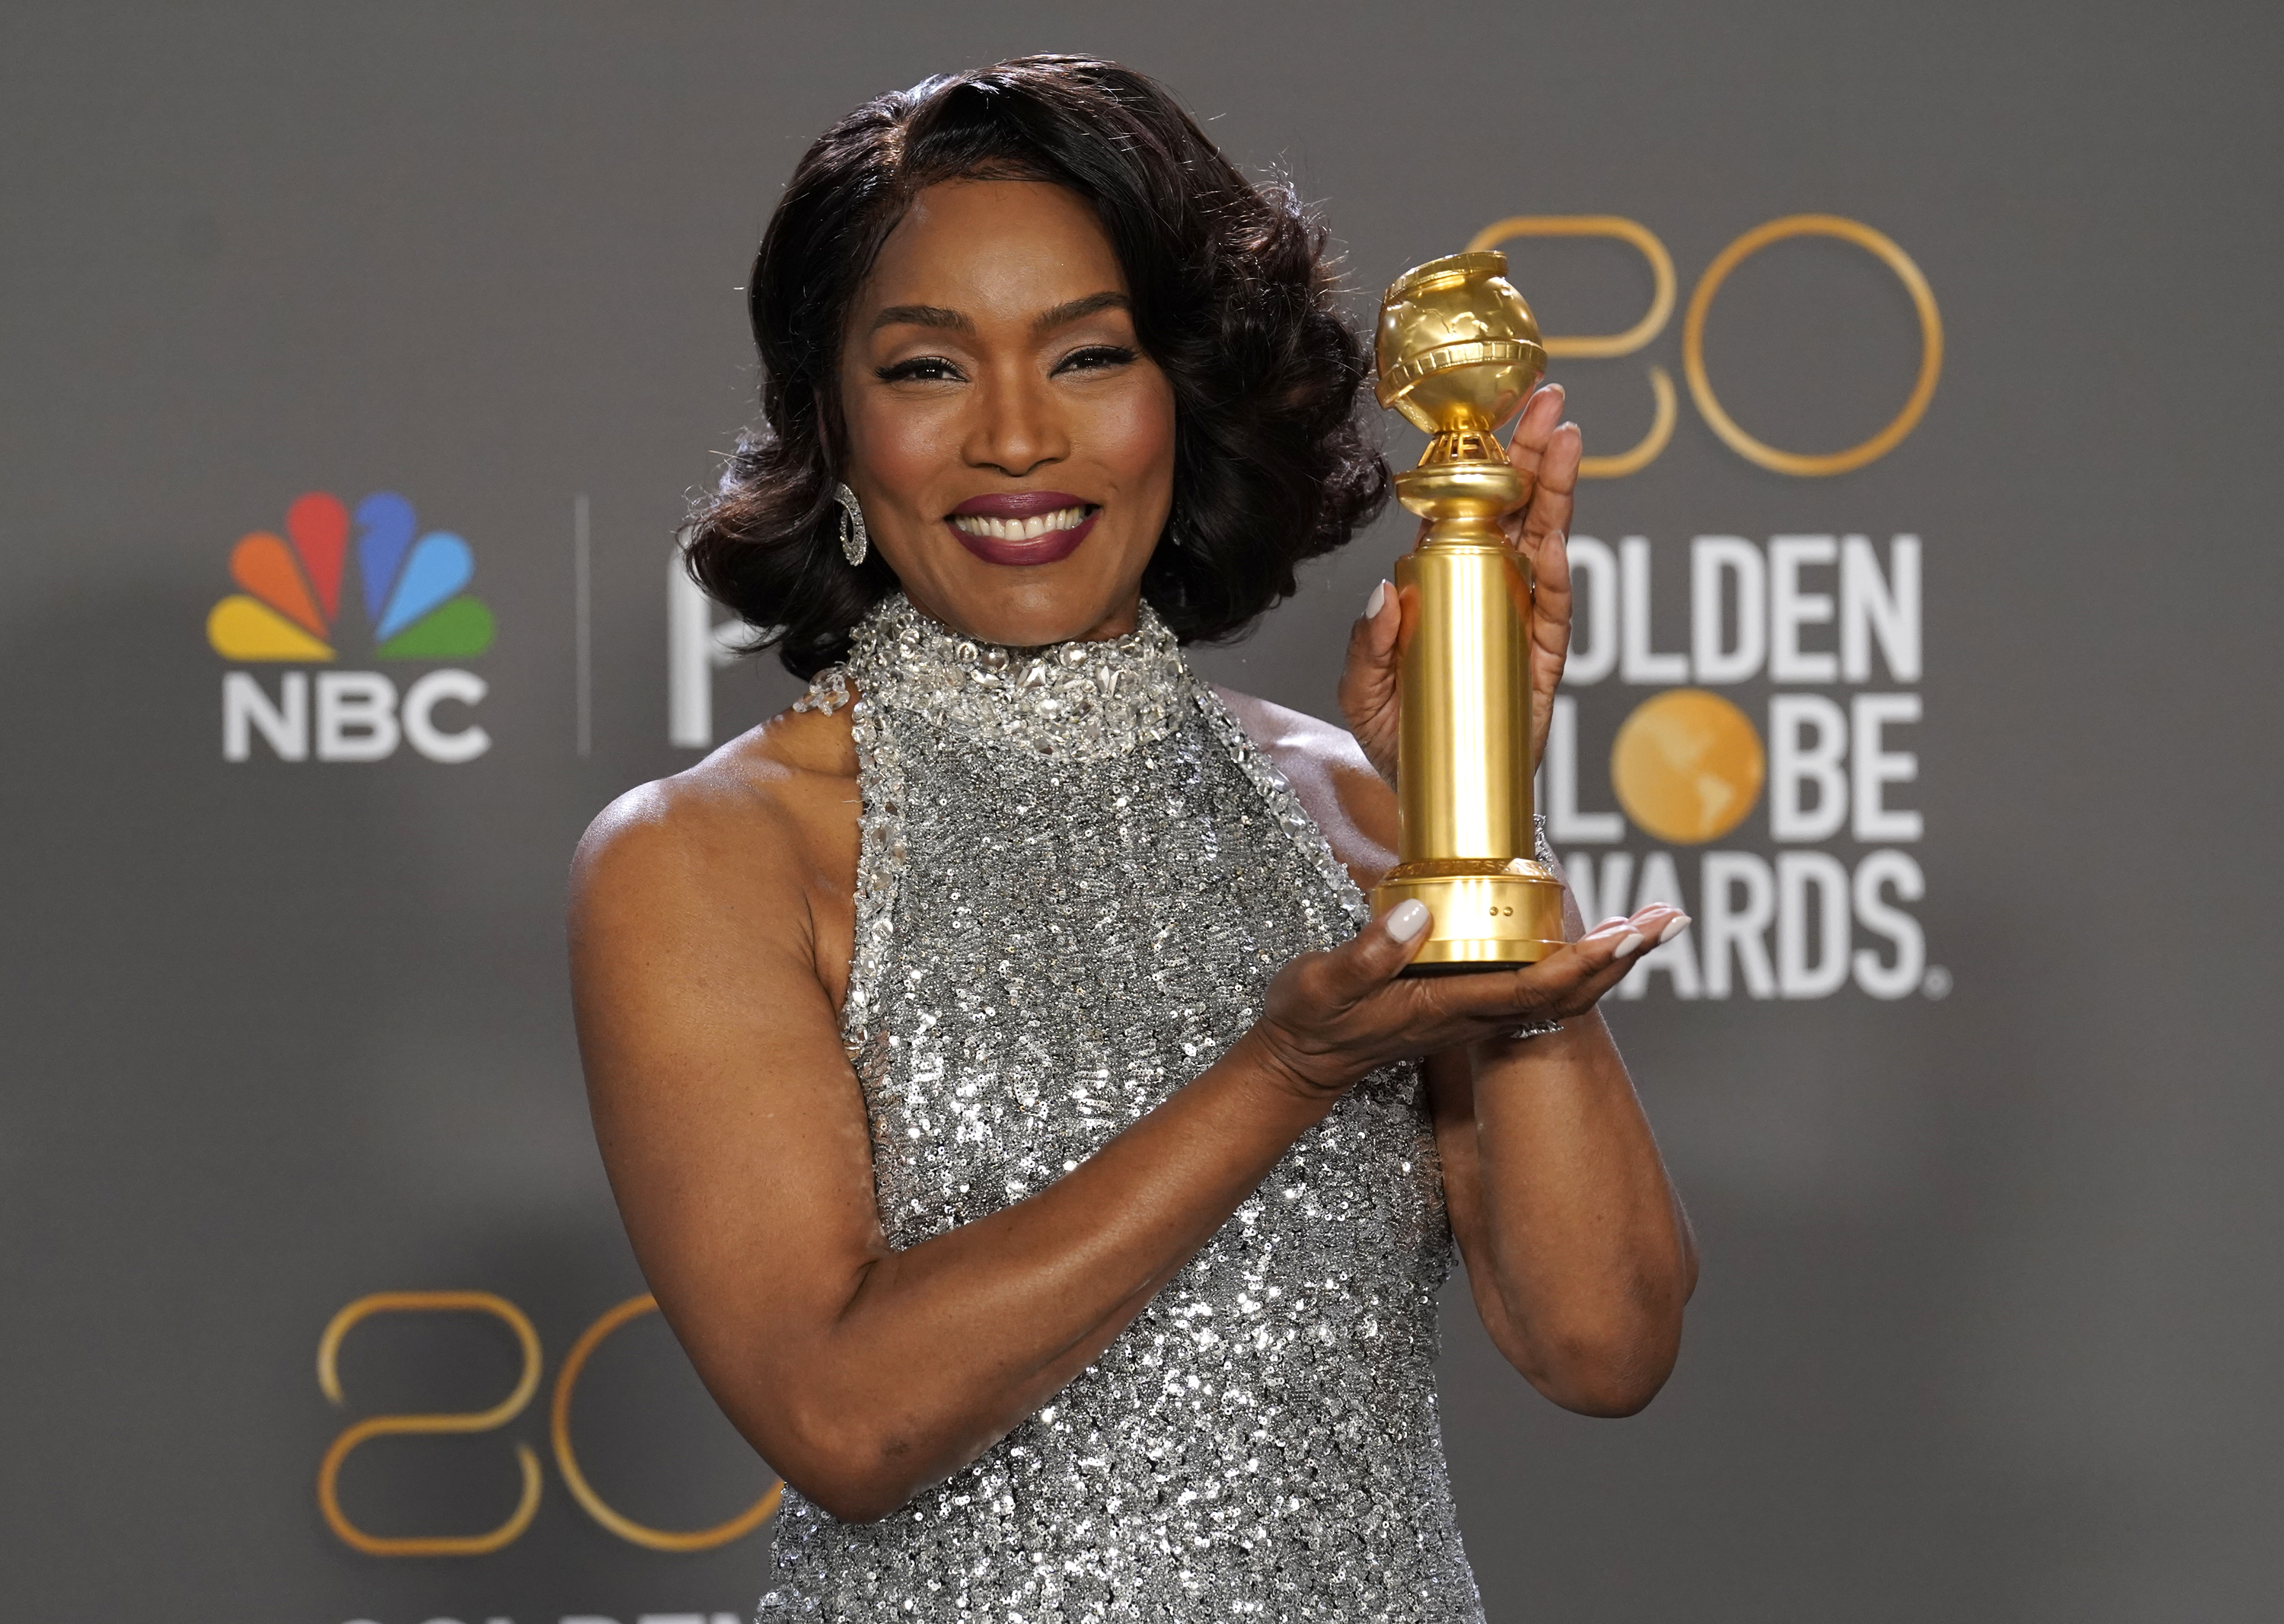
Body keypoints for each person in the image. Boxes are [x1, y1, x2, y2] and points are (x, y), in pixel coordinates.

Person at [569, 54, 1696, 1622]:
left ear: (1185, 395)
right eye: (928, 370)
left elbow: (1604, 1341)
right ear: (833, 426)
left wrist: (1476, 811)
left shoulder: (1343, 805)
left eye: (1089, 356)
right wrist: (1278, 1074)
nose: (1019, 439)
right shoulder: (707, 854)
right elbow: (845, 1416)